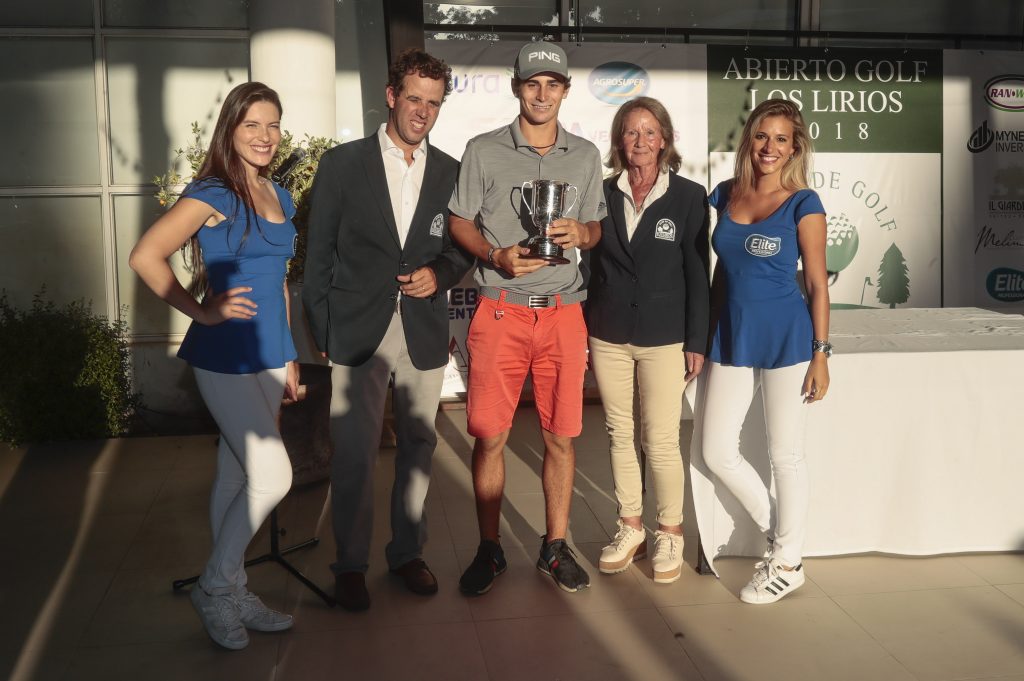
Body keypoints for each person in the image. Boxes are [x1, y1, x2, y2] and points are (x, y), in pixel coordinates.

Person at [129, 82, 297, 649]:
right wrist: (201, 311)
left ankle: (233, 589)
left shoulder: (279, 193)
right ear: (230, 129)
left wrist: (290, 354)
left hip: (269, 353)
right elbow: (145, 255)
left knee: (236, 473)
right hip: (224, 353)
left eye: (272, 124)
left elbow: (279, 283)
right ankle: (215, 586)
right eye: (252, 124)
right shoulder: (213, 192)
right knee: (274, 476)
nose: (264, 136)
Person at [303, 48, 471, 611]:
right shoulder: (342, 165)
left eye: (434, 103)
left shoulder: (449, 171)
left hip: (422, 327)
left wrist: (439, 273)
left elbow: (459, 249)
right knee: (354, 452)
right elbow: (318, 256)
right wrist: (323, 331)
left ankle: (407, 554)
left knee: (419, 445)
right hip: (357, 330)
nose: (423, 111)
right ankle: (351, 565)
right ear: (391, 95)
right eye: (414, 98)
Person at [449, 41, 607, 596]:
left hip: (563, 314)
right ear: (517, 87)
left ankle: (554, 547)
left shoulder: (585, 155)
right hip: (500, 310)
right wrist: (494, 255)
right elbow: (459, 221)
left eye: (552, 84)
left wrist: (582, 233)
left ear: (565, 90)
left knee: (561, 439)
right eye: (532, 84)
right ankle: (490, 548)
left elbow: (596, 227)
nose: (542, 94)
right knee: (490, 436)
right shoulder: (483, 149)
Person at [700, 98, 830, 604]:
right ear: (748, 140)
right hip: (731, 334)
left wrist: (821, 354)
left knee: (785, 456)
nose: (769, 147)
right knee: (716, 450)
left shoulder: (804, 203)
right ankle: (783, 539)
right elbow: (719, 273)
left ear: (794, 148)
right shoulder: (724, 194)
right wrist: (701, 338)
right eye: (761, 136)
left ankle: (787, 562)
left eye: (780, 139)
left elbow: (817, 285)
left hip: (787, 339)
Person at [585, 97, 710, 585]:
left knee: (660, 439)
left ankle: (670, 531)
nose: (640, 141)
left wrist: (696, 338)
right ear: (619, 139)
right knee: (619, 432)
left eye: (649, 132)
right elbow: (591, 268)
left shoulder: (689, 196)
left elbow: (698, 273)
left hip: (664, 336)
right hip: (609, 332)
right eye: (631, 131)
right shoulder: (601, 192)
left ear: (665, 140)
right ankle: (630, 526)